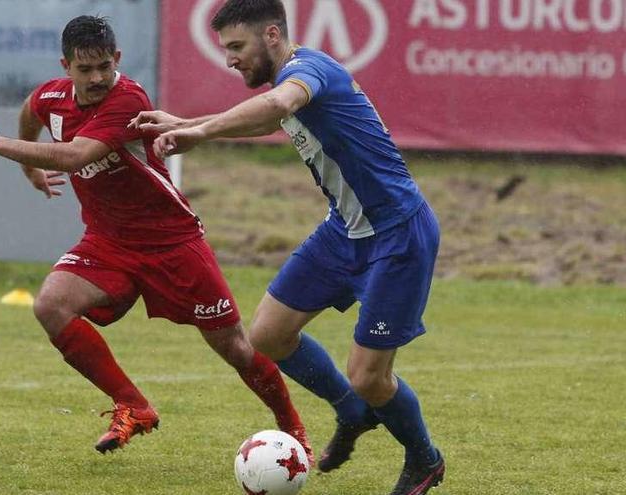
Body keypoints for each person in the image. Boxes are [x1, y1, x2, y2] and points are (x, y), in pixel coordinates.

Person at [0, 14, 312, 461]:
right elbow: (31, 111)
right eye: (86, 70)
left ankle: (292, 429)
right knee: (51, 305)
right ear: (66, 66)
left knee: (235, 347)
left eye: (105, 65)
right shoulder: (52, 96)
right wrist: (30, 168)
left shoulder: (128, 99)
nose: (98, 77)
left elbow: (78, 155)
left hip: (172, 243)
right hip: (108, 243)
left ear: (116, 58)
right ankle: (134, 406)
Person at [130, 1, 444, 493]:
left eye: (237, 46)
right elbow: (268, 119)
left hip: (397, 233)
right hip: (344, 231)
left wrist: (201, 131)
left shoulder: (308, 70)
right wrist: (185, 122)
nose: (230, 59)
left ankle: (424, 459)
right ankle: (352, 412)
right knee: (269, 336)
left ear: (272, 35)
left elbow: (276, 108)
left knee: (368, 375)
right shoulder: (290, 83)